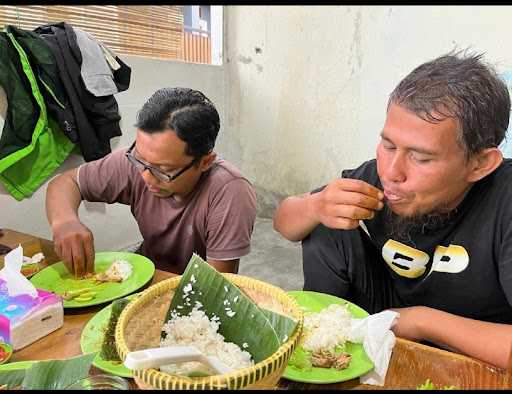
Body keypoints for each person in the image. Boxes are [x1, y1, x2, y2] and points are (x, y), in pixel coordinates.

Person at [273, 51, 512, 368]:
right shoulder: (378, 179)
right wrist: (315, 205)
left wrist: (422, 321)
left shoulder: (505, 202)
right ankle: (325, 351)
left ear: (480, 164)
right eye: (388, 145)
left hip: (473, 346)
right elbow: (284, 222)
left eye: (421, 158)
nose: (392, 172)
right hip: (388, 314)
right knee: (329, 219)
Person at [46, 87, 257, 276]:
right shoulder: (137, 162)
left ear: (205, 162)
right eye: (140, 159)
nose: (146, 176)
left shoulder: (230, 191)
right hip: (147, 271)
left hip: (192, 291)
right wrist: (64, 222)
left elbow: (215, 287)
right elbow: (65, 183)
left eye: (164, 170)